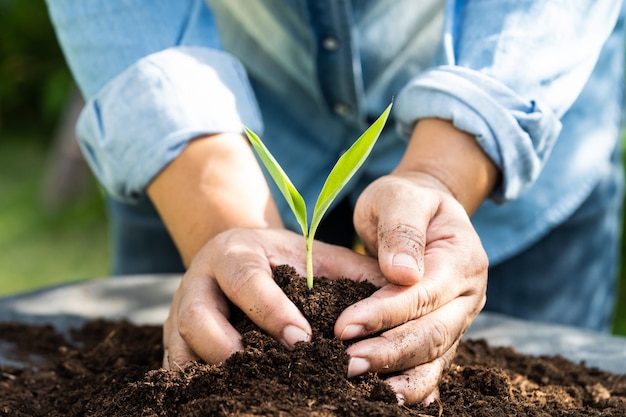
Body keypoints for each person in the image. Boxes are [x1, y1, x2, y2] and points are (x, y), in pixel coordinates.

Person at [45, 0, 625, 405]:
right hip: (204, 144)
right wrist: (230, 231)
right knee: (194, 349)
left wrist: (437, 174)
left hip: (513, 125)